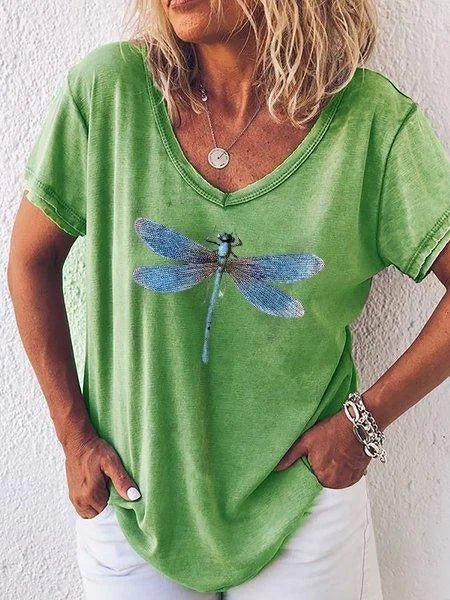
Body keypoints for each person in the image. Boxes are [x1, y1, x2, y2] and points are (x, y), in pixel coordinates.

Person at [7, 0, 450, 598]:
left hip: (300, 499)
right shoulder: (108, 94)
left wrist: (364, 422)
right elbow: (30, 261)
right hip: (132, 501)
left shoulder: (371, 124)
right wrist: (73, 436)